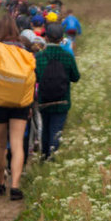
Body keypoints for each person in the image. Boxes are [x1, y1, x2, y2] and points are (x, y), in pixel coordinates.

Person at [0, 14, 35, 202]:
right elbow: (32, 79)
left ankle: (1, 182)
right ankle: (16, 185)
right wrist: (29, 104)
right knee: (18, 144)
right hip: (20, 102)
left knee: (0, 144)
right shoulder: (25, 50)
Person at [36, 22, 80, 159]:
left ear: (46, 38)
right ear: (62, 39)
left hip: (44, 100)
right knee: (56, 131)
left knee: (45, 130)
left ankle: (44, 157)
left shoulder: (39, 57)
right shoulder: (67, 56)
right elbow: (75, 77)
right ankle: (52, 158)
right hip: (62, 101)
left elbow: (35, 77)